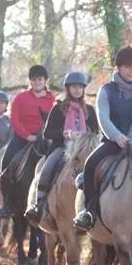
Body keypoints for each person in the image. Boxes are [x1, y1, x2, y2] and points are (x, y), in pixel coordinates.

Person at [72, 47, 132, 230]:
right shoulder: (106, 90)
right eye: (127, 67)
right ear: (118, 68)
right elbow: (103, 117)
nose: (131, 71)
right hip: (116, 142)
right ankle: (89, 210)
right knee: (91, 163)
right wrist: (116, 136)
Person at [25, 71, 99, 226]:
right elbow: (47, 133)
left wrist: (84, 137)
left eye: (80, 87)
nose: (77, 90)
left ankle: (100, 206)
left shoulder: (90, 110)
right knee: (47, 168)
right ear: (68, 89)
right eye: (74, 87)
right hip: (61, 148)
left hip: (84, 150)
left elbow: (95, 132)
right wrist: (63, 133)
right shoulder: (58, 108)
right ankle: (39, 204)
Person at [0, 65, 55, 218]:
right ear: (30, 81)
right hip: (22, 138)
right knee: (6, 162)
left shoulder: (52, 100)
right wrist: (28, 136)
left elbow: (55, 121)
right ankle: (7, 203)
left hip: (45, 139)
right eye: (34, 80)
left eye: (40, 79)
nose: (37, 82)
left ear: (45, 80)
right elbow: (15, 120)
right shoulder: (20, 98)